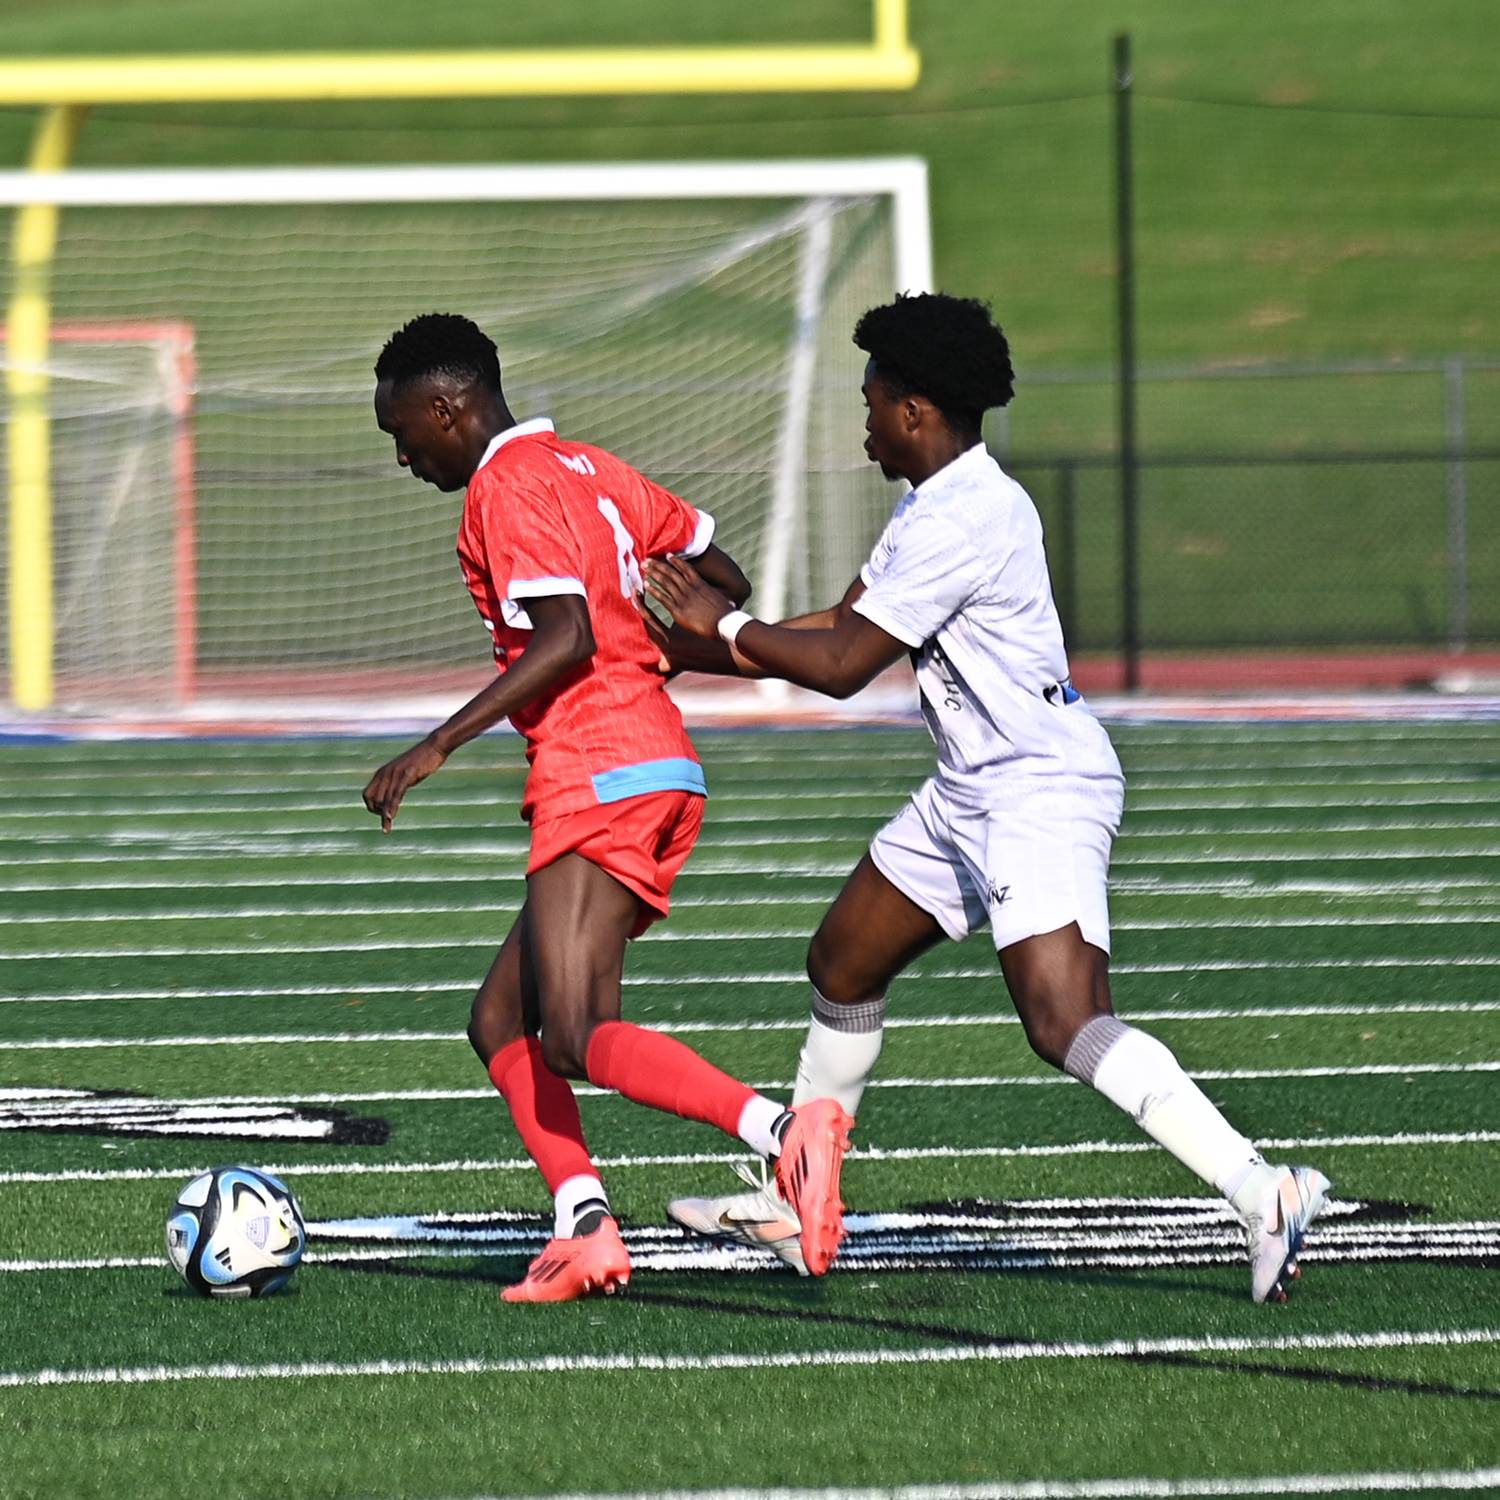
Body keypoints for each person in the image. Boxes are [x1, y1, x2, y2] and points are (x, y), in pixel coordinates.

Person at [644, 292, 1330, 1304]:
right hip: (975, 786)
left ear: (915, 410)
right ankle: (802, 1200)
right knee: (844, 957)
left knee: (1064, 1021)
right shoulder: (938, 503)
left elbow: (838, 664)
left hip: (1032, 786)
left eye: (873, 400)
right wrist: (694, 647)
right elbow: (842, 623)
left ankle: (1259, 1190)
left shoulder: (967, 513)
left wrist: (726, 627)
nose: (863, 420)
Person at [364, 313, 852, 1302]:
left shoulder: (504, 488)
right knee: (502, 1017)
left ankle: (783, 1132)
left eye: (402, 431)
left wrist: (438, 743)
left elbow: (568, 635)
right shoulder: (589, 467)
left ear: (446, 406)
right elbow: (721, 578)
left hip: (599, 768)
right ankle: (583, 1222)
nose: (404, 455)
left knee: (580, 1032)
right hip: (655, 763)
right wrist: (660, 626)